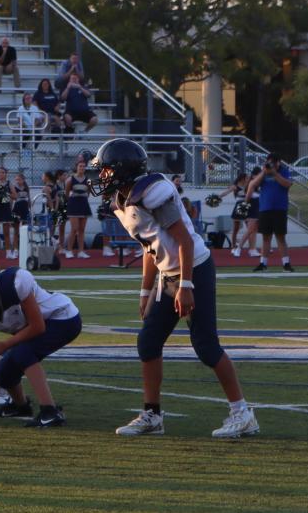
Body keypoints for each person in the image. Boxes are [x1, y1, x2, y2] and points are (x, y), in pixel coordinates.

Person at [92, 139, 258, 439]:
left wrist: (185, 285)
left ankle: (242, 413)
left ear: (122, 169)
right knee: (148, 342)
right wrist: (145, 292)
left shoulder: (152, 193)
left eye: (105, 170)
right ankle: (153, 415)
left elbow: (184, 241)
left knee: (206, 347)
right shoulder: (122, 199)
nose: (101, 177)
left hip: (193, 269)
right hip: (167, 277)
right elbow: (150, 247)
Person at [0, 250, 79, 428]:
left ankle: (50, 412)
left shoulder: (13, 284)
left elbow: (38, 326)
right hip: (36, 327)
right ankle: (21, 406)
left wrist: (5, 345)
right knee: (4, 372)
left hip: (63, 319)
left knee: (22, 351)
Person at [247, 157, 296, 273]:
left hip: (280, 208)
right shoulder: (264, 172)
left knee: (280, 236)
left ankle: (286, 263)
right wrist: (264, 172)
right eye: (270, 162)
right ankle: (263, 263)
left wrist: (274, 173)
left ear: (278, 162)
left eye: (274, 162)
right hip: (265, 208)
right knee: (266, 237)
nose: (271, 165)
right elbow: (253, 184)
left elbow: (287, 184)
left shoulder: (283, 171)